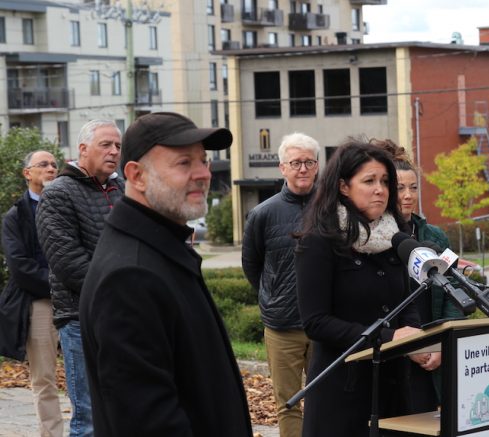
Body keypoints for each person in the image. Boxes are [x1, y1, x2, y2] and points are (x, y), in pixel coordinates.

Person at [79, 112, 252, 436]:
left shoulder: (161, 250)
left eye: (204, 160)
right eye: (184, 163)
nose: (203, 174)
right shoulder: (131, 277)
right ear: (138, 176)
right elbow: (148, 423)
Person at [294, 139, 427, 437]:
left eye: (384, 181)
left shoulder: (397, 238)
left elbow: (407, 303)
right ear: (343, 187)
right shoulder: (318, 241)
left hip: (392, 387)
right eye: (369, 181)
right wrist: (390, 336)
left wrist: (416, 338)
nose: (380, 189)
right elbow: (316, 322)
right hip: (342, 390)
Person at [36, 119, 124, 437]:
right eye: (106, 144)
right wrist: (119, 293)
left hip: (123, 315)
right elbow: (67, 262)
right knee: (88, 419)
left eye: (117, 145)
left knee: (123, 412)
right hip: (80, 318)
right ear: (83, 149)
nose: (114, 151)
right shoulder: (59, 193)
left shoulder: (121, 189)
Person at [374, 138, 464, 412]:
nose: (408, 195)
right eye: (400, 188)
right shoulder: (375, 237)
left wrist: (442, 346)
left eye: (413, 187)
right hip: (392, 348)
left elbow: (454, 293)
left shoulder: (434, 236)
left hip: (432, 346)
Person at [242, 132, 319, 437]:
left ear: (317, 166)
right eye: (295, 162)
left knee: (325, 397)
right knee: (288, 402)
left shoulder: (332, 209)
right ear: (282, 167)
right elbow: (252, 266)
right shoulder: (262, 214)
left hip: (325, 323)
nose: (302, 168)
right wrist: (272, 295)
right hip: (281, 325)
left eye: (309, 162)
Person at [0, 150, 63, 436]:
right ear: (28, 173)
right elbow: (20, 267)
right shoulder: (15, 216)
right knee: (44, 378)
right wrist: (59, 285)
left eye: (54, 164)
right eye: (43, 165)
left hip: (81, 300)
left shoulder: (68, 206)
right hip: (41, 303)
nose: (51, 168)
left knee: (90, 373)